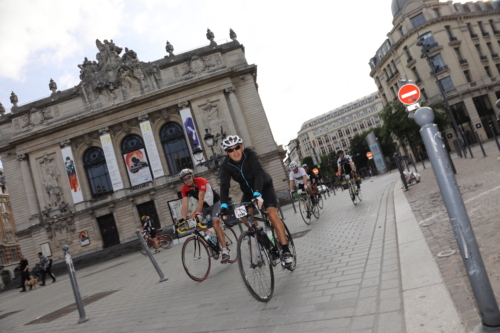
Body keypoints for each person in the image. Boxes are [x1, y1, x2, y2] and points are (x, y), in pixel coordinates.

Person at [219, 135, 294, 266]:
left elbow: (258, 173)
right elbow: (224, 186)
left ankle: (286, 251)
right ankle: (261, 234)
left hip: (264, 187)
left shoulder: (250, 154)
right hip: (248, 192)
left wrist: (258, 193)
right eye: (230, 150)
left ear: (242, 147)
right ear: (227, 153)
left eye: (237, 147)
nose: (235, 152)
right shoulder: (226, 165)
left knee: (271, 214)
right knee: (244, 215)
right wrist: (224, 206)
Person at [177, 168, 230, 264]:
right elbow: (185, 204)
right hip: (204, 206)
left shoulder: (201, 181)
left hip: (215, 203)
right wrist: (183, 218)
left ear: (193, 176)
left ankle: (225, 251)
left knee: (216, 224)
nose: (187, 180)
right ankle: (210, 234)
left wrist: (199, 214)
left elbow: (201, 199)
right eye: (184, 179)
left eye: (189, 177)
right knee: (192, 220)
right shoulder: (184, 188)